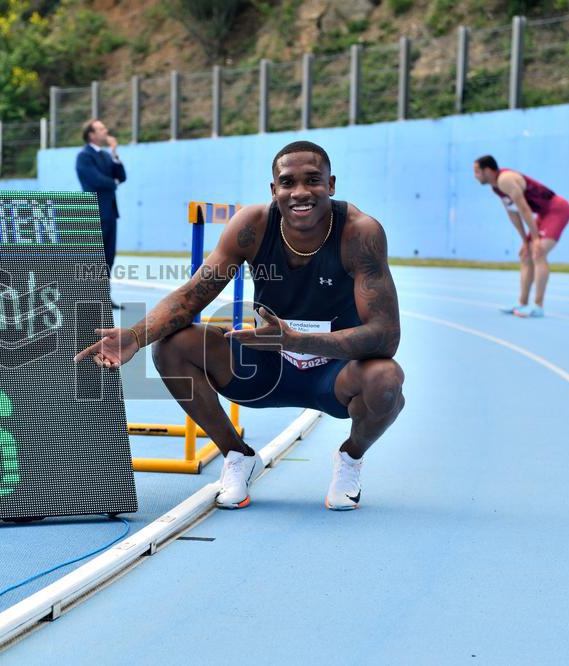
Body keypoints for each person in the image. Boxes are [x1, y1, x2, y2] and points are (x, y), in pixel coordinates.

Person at [75, 141, 405, 511]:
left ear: (330, 184)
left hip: (334, 373)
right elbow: (190, 297)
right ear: (273, 190)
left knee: (386, 380)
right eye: (287, 182)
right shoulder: (252, 226)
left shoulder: (360, 233)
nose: (300, 192)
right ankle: (237, 455)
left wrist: (298, 340)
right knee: (171, 347)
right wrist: (135, 335)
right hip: (263, 368)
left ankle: (350, 458)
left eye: (312, 181)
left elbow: (385, 335)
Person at [473, 155, 569, 318]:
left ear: (488, 171)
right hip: (542, 213)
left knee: (538, 252)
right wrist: (525, 241)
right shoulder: (496, 186)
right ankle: (522, 302)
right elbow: (513, 214)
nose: (475, 176)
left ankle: (538, 306)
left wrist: (536, 239)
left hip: (557, 210)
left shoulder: (505, 180)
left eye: (477, 172)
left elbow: (524, 210)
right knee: (526, 254)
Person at [76, 119, 126, 309]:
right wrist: (112, 182)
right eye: (101, 129)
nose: (106, 131)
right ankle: (89, 296)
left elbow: (122, 176)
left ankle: (104, 295)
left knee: (108, 256)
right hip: (94, 210)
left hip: (110, 211)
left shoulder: (106, 155)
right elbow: (96, 180)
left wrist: (115, 154)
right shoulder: (84, 156)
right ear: (91, 134)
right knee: (94, 256)